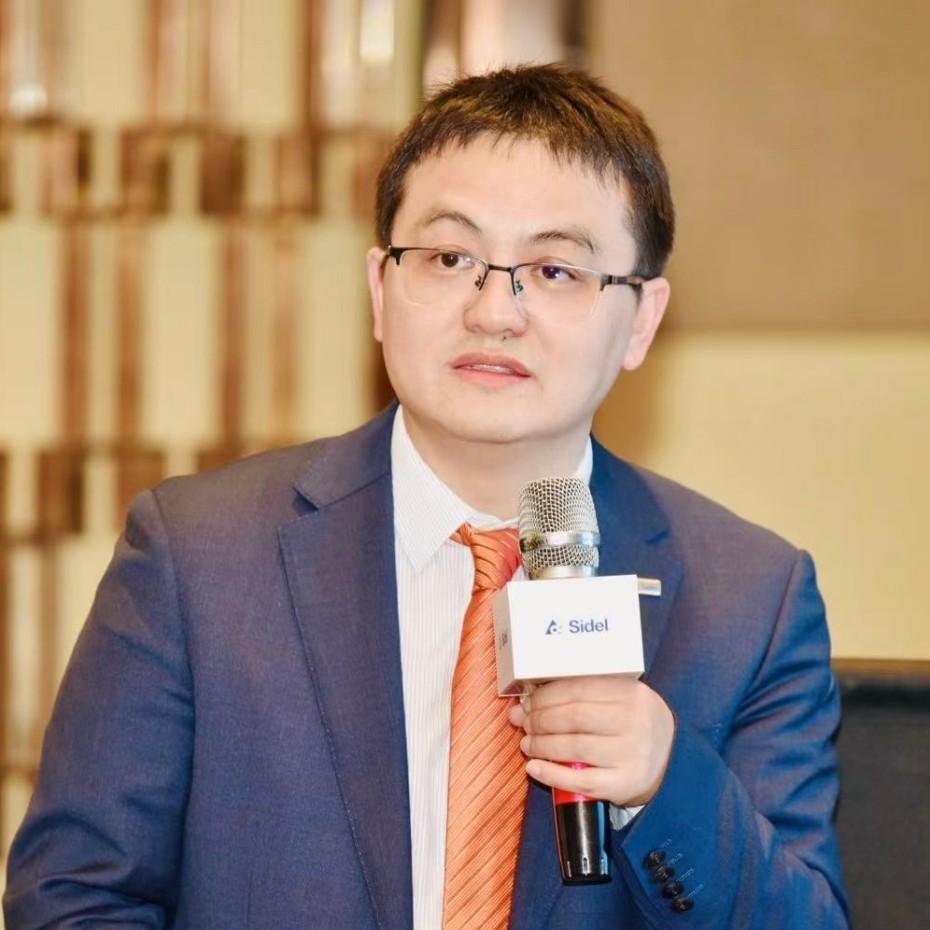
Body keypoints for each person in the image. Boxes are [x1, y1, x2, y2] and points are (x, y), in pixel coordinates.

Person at [4, 64, 848, 929]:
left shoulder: (751, 602)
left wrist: (664, 782)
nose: (495, 312)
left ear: (640, 320)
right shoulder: (198, 558)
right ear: (380, 290)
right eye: (451, 258)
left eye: (556, 270)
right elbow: (72, 899)